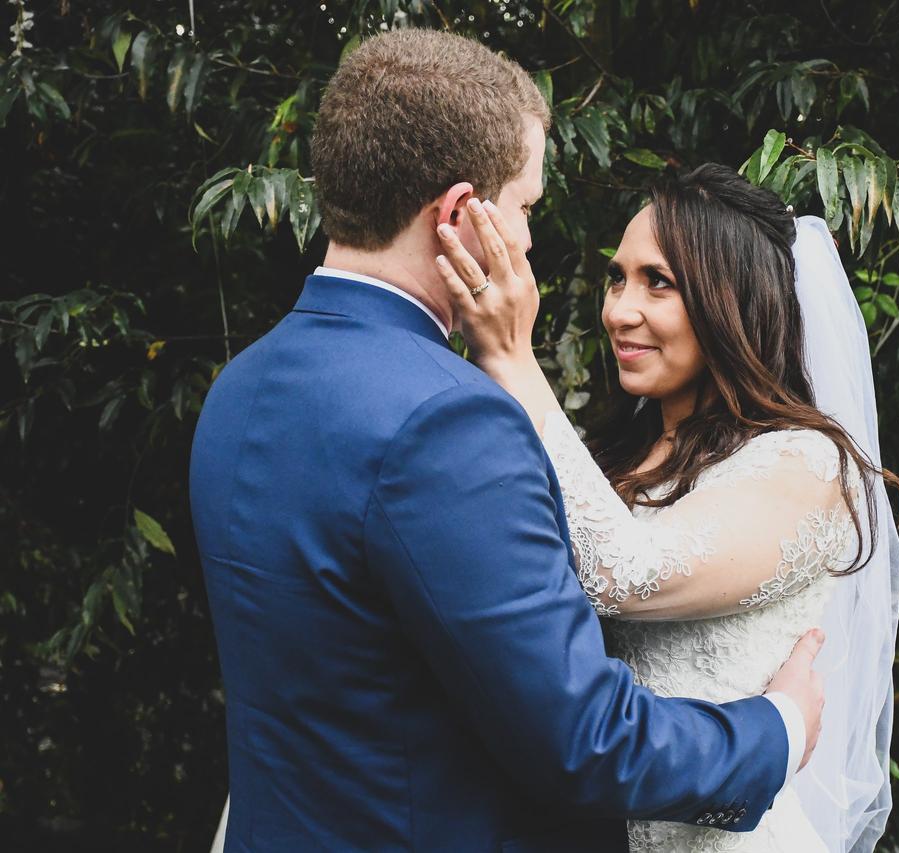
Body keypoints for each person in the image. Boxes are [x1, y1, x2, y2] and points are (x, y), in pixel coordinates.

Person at [192, 30, 825, 853]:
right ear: (459, 215)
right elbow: (582, 739)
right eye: (524, 208)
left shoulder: (237, 387)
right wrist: (777, 728)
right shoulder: (449, 422)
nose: (527, 241)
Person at [436, 164, 899, 852]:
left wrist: (511, 354)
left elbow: (624, 571)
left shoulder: (807, 465)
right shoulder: (615, 459)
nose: (619, 309)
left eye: (659, 281)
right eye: (617, 277)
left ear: (733, 300)